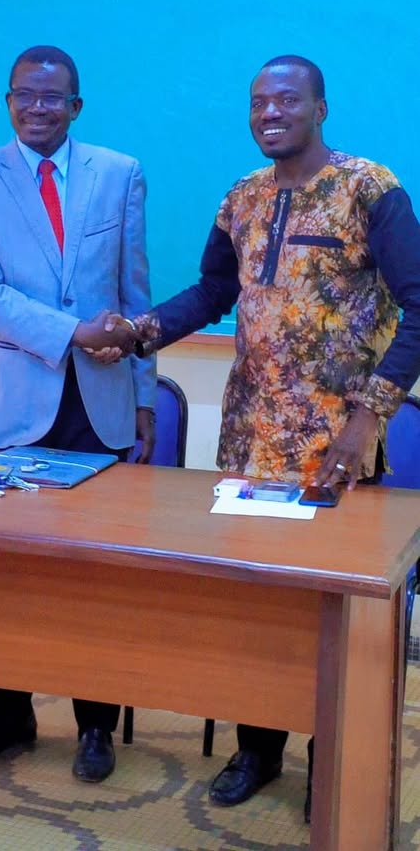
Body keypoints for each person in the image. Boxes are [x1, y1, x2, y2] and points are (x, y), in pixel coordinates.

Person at [103, 54, 420, 820]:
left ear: (320, 108)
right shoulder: (241, 197)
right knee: (254, 608)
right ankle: (257, 748)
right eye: (257, 102)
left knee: (328, 615)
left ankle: (328, 756)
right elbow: (216, 290)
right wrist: (143, 330)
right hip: (249, 444)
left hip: (336, 454)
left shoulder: (370, 190)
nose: (269, 112)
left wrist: (368, 415)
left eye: (286, 99)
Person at [0, 44, 156, 783]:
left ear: (76, 106)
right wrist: (72, 332)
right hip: (12, 405)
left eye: (52, 96)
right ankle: (9, 717)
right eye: (24, 95)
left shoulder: (119, 173)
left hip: (100, 408)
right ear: (9, 102)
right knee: (3, 575)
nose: (38, 107)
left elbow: (134, 291)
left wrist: (142, 394)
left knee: (96, 577)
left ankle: (96, 726)